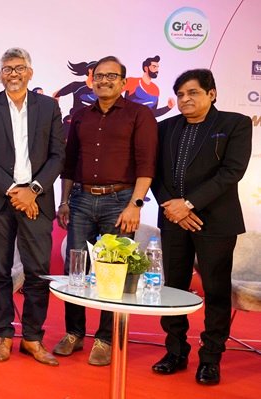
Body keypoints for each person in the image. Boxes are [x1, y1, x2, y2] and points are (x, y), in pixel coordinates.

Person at [150, 69, 252, 386]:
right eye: (180, 94)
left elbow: (231, 172)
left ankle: (210, 358)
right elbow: (152, 173)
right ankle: (175, 352)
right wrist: (173, 207)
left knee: (216, 291)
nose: (185, 99)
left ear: (212, 93)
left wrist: (189, 204)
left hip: (216, 222)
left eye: (193, 93)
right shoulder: (164, 128)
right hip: (173, 221)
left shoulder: (235, 124)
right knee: (173, 290)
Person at [55, 56, 157, 366]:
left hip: (120, 201)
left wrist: (135, 205)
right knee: (75, 270)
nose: (104, 81)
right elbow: (69, 163)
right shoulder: (81, 116)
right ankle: (74, 333)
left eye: (111, 76)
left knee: (113, 272)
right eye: (99, 76)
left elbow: (146, 164)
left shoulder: (139, 115)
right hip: (82, 200)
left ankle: (104, 338)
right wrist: (64, 200)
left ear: (124, 83)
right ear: (92, 80)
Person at [0, 48, 65, 366]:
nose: (13, 73)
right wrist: (15, 191)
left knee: (38, 272)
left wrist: (34, 191)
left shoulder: (50, 107)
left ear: (30, 72)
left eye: (19, 67)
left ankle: (32, 338)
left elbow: (58, 155)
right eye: (7, 68)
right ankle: (3, 335)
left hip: (37, 200)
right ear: (0, 74)